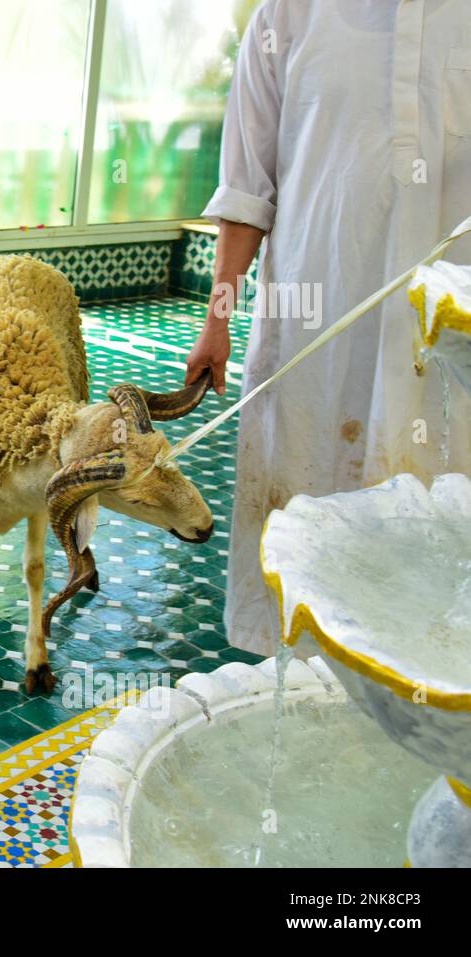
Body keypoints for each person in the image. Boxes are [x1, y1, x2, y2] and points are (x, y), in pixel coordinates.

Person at [186, 0, 471, 657]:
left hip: (440, 343)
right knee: (306, 506)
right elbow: (246, 191)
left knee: (431, 523)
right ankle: (298, 682)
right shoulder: (286, 18)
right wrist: (217, 320)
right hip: (312, 333)